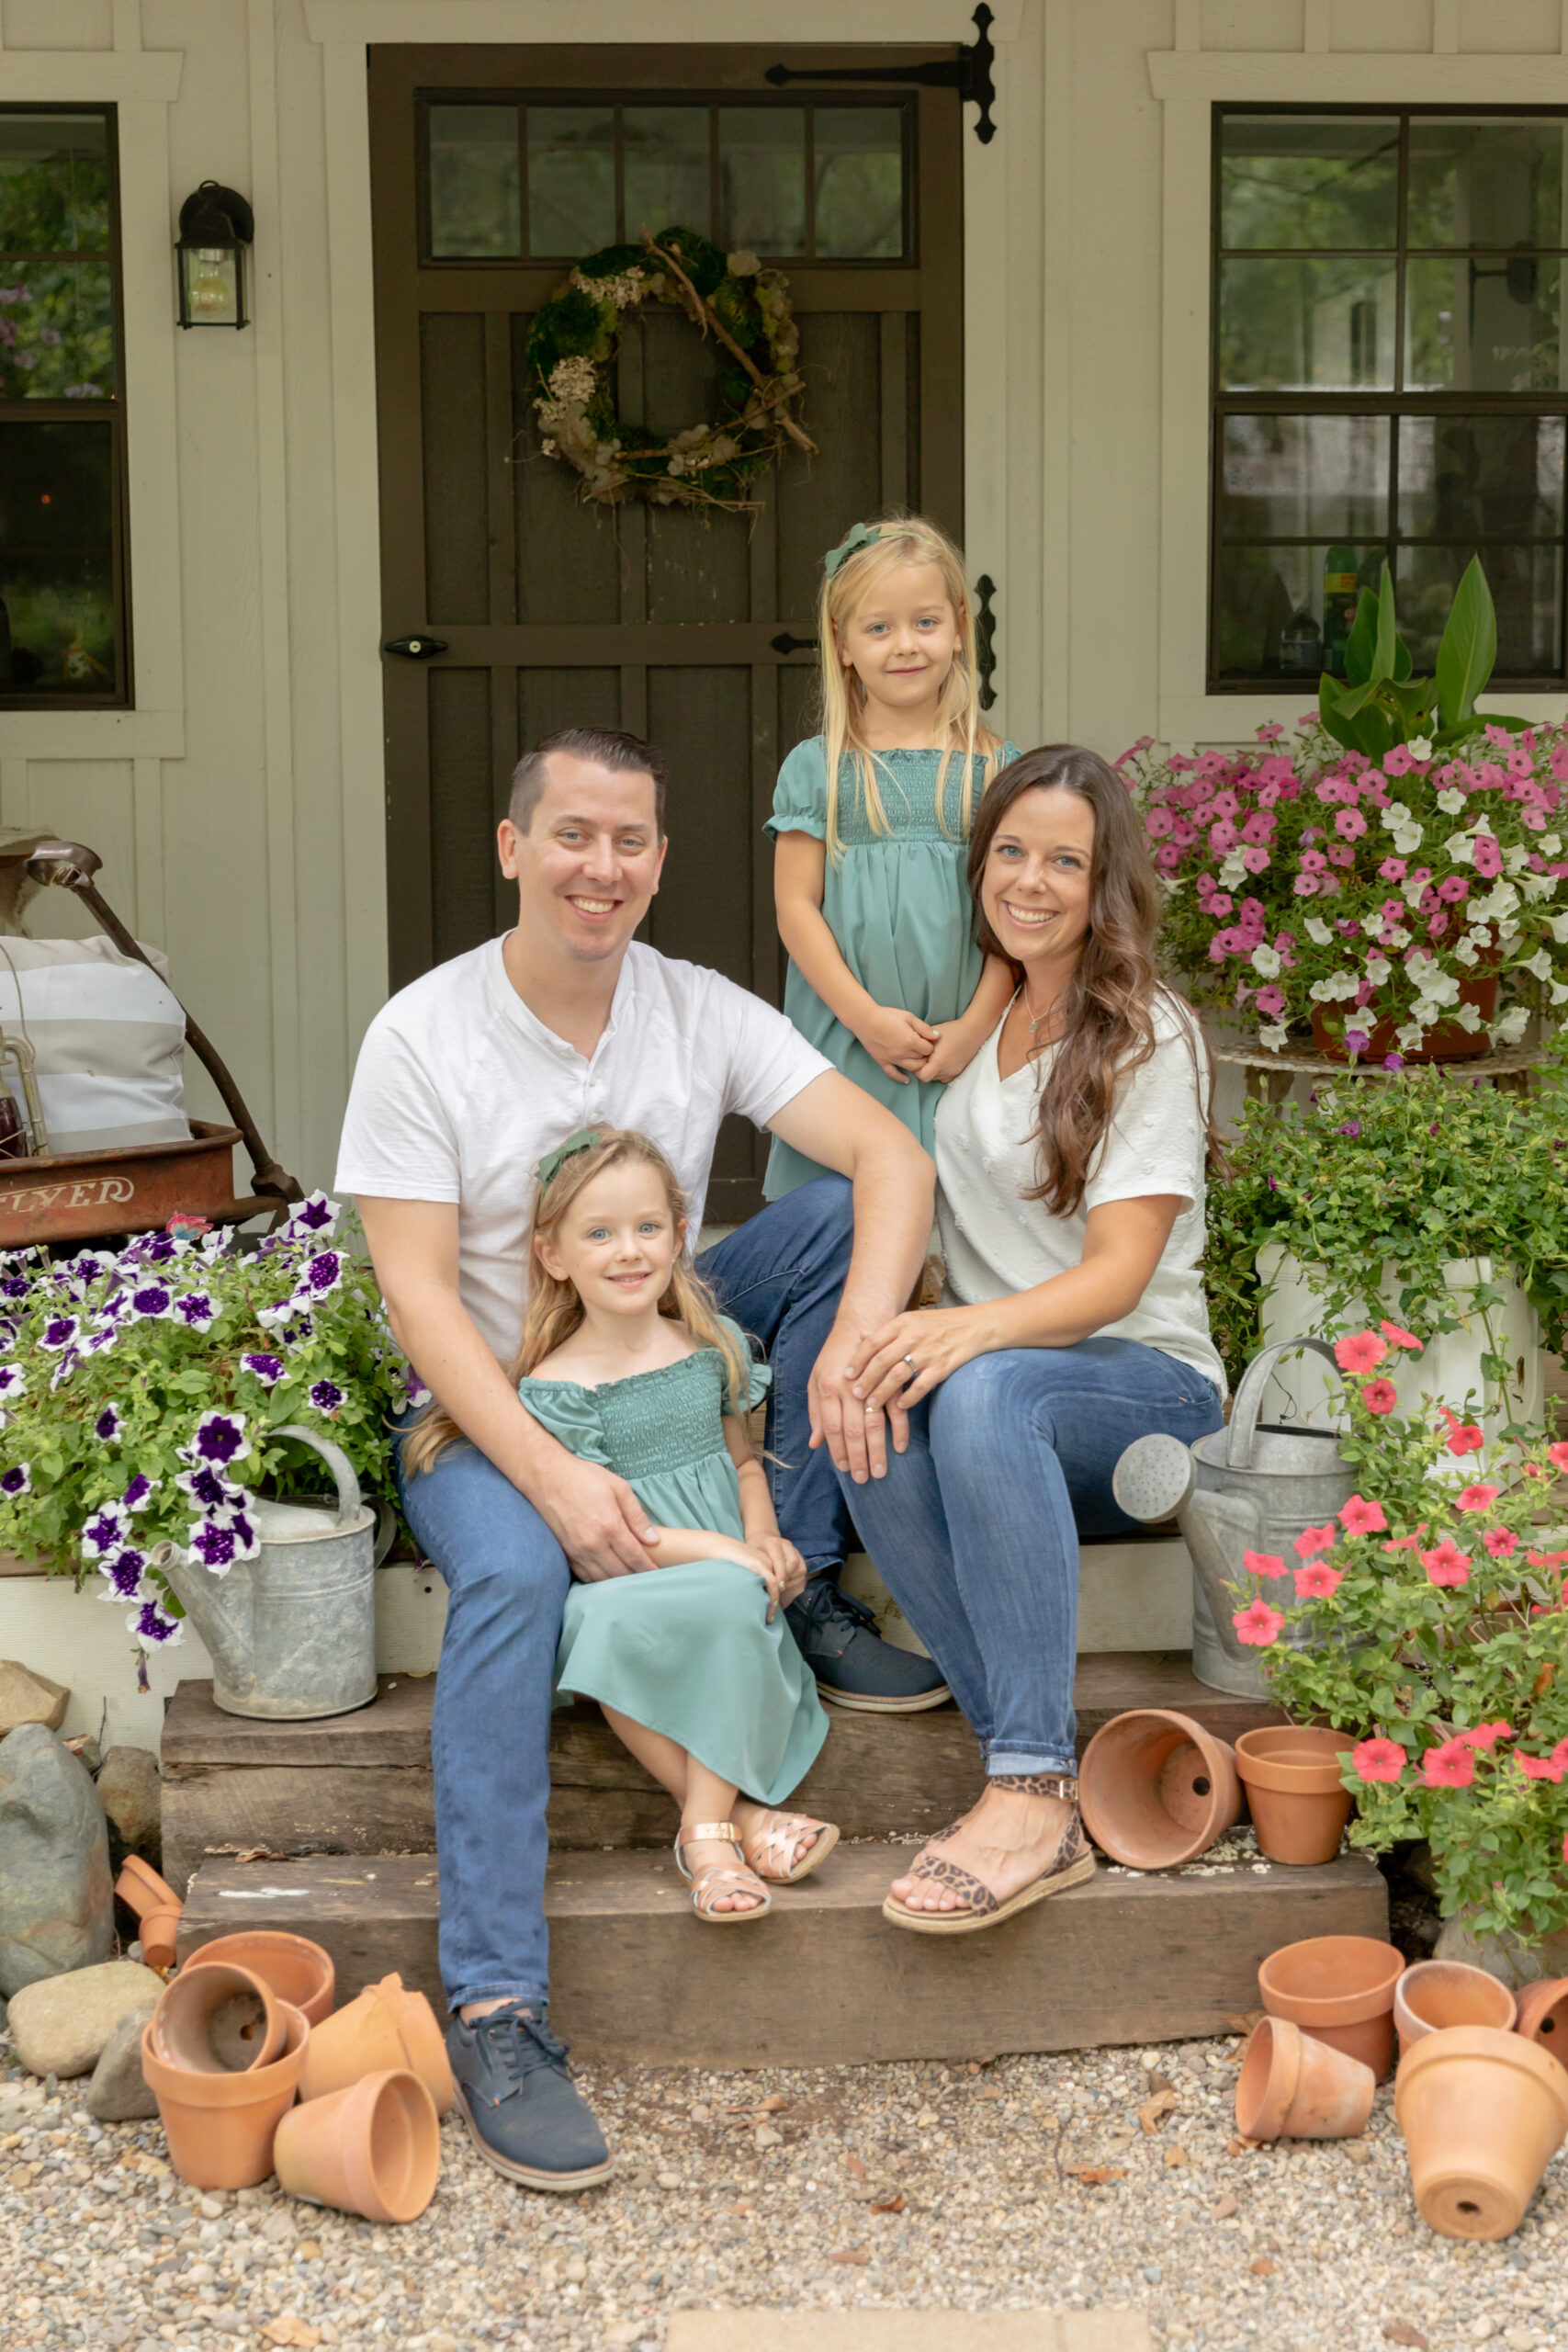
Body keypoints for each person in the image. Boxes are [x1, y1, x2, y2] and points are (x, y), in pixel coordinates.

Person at [336, 725, 936, 2191]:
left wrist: (849, 1359)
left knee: (842, 1238)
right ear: (511, 848)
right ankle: (496, 2004)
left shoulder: (694, 1007)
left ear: (658, 865)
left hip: (671, 1387)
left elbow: (892, 1160)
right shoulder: (423, 1033)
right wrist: (546, 1476)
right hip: (484, 1421)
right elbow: (417, 1296)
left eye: (629, 843)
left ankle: (781, 1565)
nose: (599, 868)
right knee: (510, 1591)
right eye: (571, 836)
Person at [831, 743, 1229, 1935]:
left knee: (977, 1390)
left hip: (1143, 1404)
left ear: (1103, 879)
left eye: (1064, 859)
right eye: (1010, 851)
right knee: (863, 1400)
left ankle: (1027, 1785)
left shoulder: (1145, 1034)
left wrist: (959, 1333)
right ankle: (1017, 1735)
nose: (1030, 880)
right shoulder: (993, 1022)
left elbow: (1114, 1279)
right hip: (1003, 1413)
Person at [401, 1125, 837, 1928]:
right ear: (553, 1255)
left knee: (735, 1598)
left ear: (679, 1234)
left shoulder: (714, 1350)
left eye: (646, 1227)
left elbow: (744, 1462)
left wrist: (763, 1537)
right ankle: (723, 1830)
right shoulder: (557, 1388)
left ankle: (711, 1831)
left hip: (732, 1590)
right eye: (597, 1233)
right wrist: (725, 1552)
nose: (627, 1251)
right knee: (603, 1622)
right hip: (635, 1586)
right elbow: (607, 1537)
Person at [764, 514, 1021, 1200]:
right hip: (851, 1035)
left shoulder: (998, 770)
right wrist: (864, 1019)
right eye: (878, 628)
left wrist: (975, 1028)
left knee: (968, 1208)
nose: (904, 646)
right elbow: (796, 908)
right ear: (842, 643)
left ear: (961, 626)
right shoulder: (817, 768)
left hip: (962, 1043)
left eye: (925, 623)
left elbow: (1017, 917)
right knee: (848, 1208)